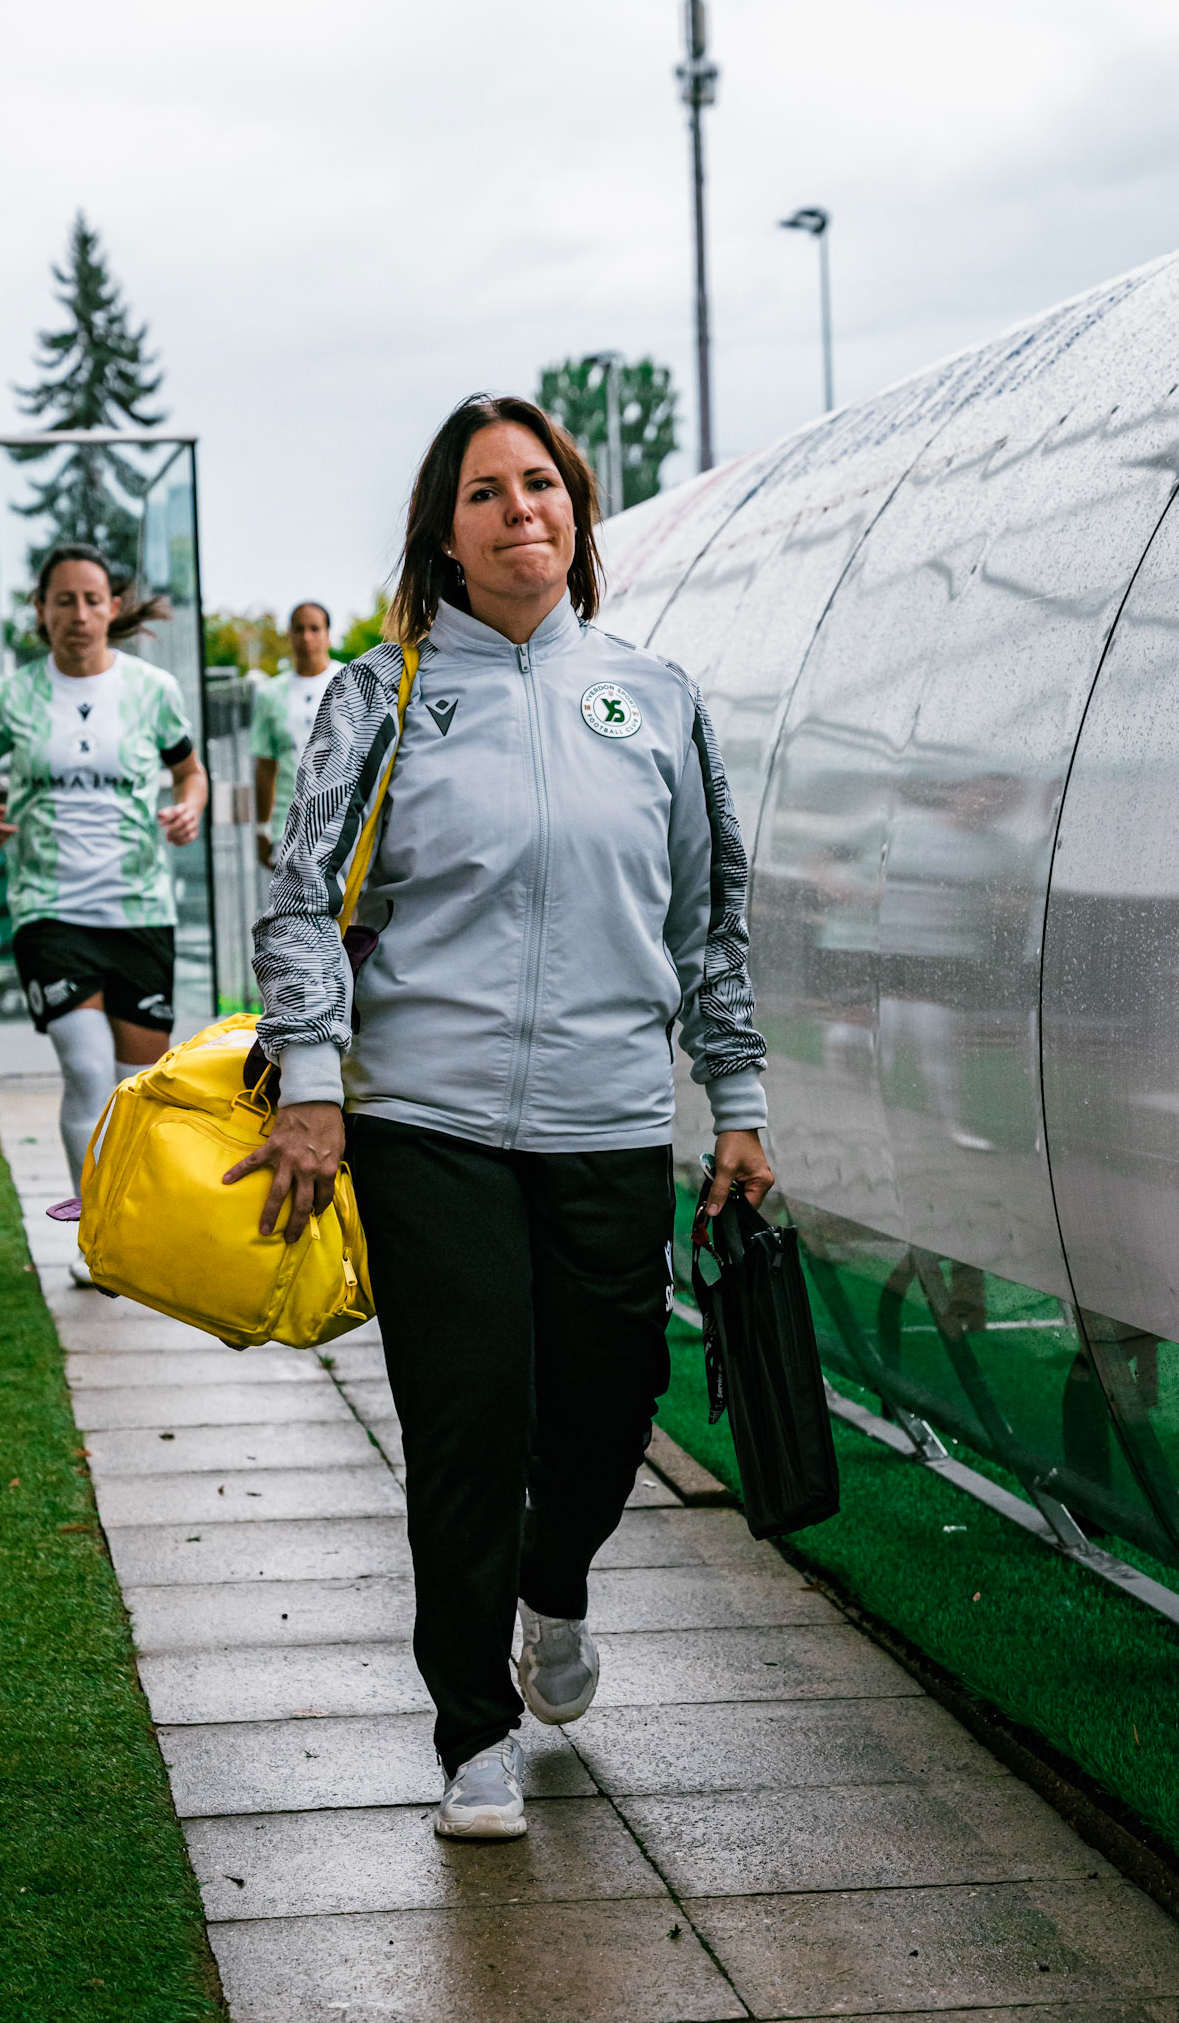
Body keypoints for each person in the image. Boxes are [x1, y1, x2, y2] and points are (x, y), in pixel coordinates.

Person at [227, 395, 772, 1840]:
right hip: (429, 1120)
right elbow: (298, 905)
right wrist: (319, 1089)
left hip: (603, 1121)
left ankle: (556, 1584)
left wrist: (739, 1101)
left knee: (604, 1415)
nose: (520, 509)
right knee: (468, 1424)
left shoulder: (654, 699)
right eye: (487, 492)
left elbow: (710, 922)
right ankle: (473, 1731)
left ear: (578, 517)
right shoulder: (382, 694)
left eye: (543, 485)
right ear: (444, 534)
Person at [0, 544, 208, 1280]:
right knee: (87, 1067)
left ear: (113, 608)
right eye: (62, 600)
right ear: (40, 611)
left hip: (138, 907)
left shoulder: (154, 690)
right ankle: (96, 1241)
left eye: (91, 600)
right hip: (48, 907)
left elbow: (188, 771)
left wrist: (188, 809)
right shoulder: (13, 699)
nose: (77, 615)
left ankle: (137, 1229)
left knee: (138, 1088)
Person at [250, 600, 343, 872]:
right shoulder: (270, 693)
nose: (306, 637)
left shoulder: (347, 683)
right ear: (289, 634)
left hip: (340, 819)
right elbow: (266, 765)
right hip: (288, 825)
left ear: (328, 634)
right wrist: (262, 828)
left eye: (315, 628)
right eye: (299, 629)